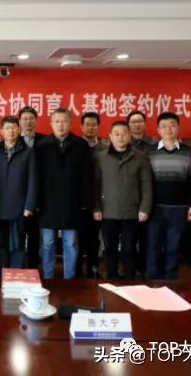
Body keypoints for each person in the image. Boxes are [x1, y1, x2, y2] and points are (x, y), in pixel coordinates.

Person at [35, 108, 92, 279]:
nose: (60, 125)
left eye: (64, 121)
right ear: (51, 124)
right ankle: (48, 278)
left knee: (71, 243)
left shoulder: (80, 145)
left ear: (70, 123)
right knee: (47, 243)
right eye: (57, 121)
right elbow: (36, 177)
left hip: (72, 202)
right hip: (47, 203)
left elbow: (87, 176)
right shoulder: (41, 146)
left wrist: (86, 201)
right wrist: (36, 202)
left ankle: (70, 279)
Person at [93, 120, 152, 279]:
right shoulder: (101, 157)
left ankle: (129, 279)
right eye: (116, 134)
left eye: (124, 133)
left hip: (132, 211)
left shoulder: (140, 158)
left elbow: (146, 185)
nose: (120, 137)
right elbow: (95, 185)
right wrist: (96, 207)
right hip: (108, 211)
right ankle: (112, 277)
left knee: (129, 248)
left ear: (129, 135)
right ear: (110, 136)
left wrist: (145, 208)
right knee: (109, 248)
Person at [145, 112, 191, 280]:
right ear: (158, 130)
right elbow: (144, 180)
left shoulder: (188, 152)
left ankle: (170, 278)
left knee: (173, 246)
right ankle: (152, 277)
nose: (168, 129)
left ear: (178, 127)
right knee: (153, 244)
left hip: (178, 207)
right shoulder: (149, 151)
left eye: (172, 125)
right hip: (154, 207)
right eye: (163, 126)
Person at [0, 116, 37, 270]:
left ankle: (17, 273)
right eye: (7, 128)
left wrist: (29, 205)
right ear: (1, 131)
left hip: (20, 206)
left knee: (19, 242)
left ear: (19, 130)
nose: (10, 131)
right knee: (1, 242)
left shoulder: (28, 152)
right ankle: (3, 271)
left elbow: (33, 180)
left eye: (13, 128)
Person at [77, 112, 108, 278]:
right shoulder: (75, 145)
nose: (90, 127)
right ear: (81, 126)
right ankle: (77, 270)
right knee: (78, 237)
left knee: (95, 238)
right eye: (87, 124)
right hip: (79, 199)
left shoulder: (106, 147)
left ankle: (93, 268)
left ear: (98, 126)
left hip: (99, 199)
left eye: (93, 124)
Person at [126, 110, 156, 276]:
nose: (137, 124)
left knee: (146, 236)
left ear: (144, 123)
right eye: (133, 121)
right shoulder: (123, 142)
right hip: (128, 195)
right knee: (129, 238)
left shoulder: (154, 143)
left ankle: (143, 268)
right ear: (128, 125)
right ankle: (129, 268)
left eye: (139, 121)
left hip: (147, 194)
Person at [18, 106, 47, 270]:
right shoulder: (14, 140)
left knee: (35, 235)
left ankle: (34, 267)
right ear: (19, 122)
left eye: (31, 118)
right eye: (25, 118)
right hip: (18, 198)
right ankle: (19, 267)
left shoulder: (45, 141)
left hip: (39, 198)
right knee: (19, 235)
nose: (28, 121)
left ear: (36, 120)